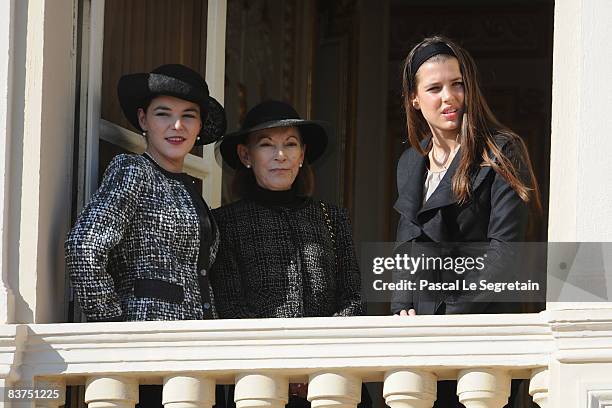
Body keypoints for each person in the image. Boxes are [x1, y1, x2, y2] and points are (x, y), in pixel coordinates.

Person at [391, 36, 541, 407]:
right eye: (435, 88)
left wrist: (446, 316)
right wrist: (399, 311)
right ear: (414, 98)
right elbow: (405, 245)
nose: (449, 98)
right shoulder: (411, 161)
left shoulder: (502, 150)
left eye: (457, 84)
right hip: (421, 340)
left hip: (481, 333)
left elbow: (504, 253)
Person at [65, 64, 227, 406]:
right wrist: (113, 327)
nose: (177, 126)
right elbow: (84, 246)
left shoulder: (191, 191)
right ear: (143, 120)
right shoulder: (133, 171)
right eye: (163, 114)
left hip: (195, 348)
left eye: (189, 116)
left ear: (199, 127)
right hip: (144, 347)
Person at [211, 100, 368, 407]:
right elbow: (232, 307)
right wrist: (285, 367)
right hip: (260, 384)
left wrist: (314, 366)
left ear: (302, 154)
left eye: (290, 144)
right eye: (266, 145)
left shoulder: (331, 218)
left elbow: (352, 299)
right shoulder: (224, 223)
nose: (280, 156)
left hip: (331, 381)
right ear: (246, 155)